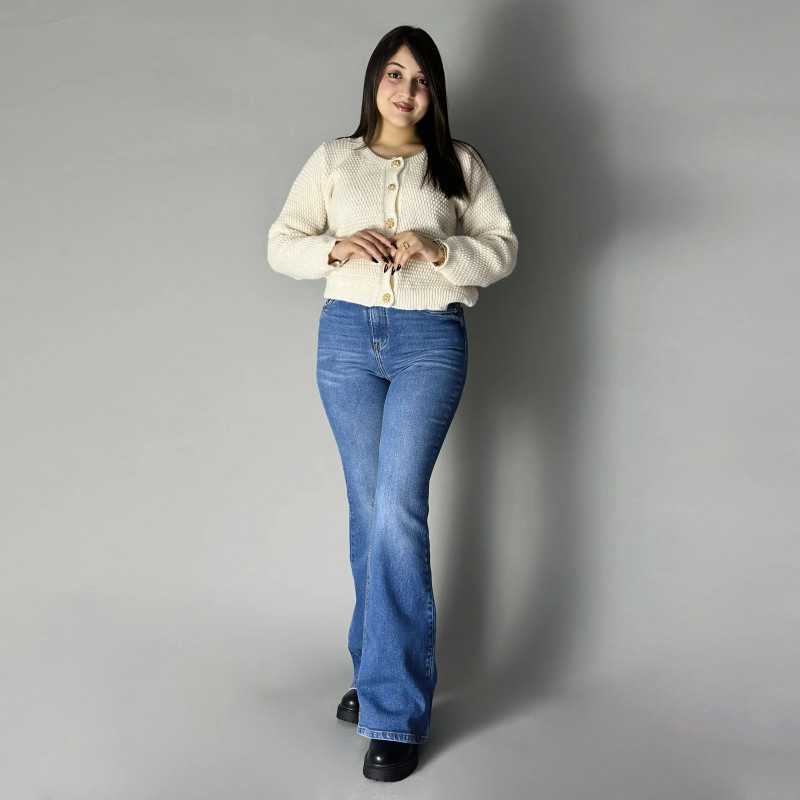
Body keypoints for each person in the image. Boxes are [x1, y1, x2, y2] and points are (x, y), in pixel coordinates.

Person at [267, 25, 518, 782]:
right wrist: (338, 247)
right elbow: (281, 243)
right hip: (346, 340)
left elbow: (501, 248)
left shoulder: (459, 164)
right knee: (369, 508)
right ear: (374, 78)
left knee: (398, 506)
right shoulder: (334, 160)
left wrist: (439, 250)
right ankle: (375, 667)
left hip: (429, 340)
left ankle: (396, 712)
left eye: (422, 80)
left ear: (434, 93)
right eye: (395, 75)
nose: (407, 91)